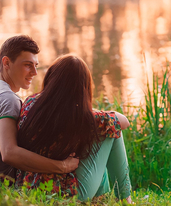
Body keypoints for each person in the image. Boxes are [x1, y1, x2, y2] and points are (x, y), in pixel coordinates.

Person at [0, 35, 79, 179]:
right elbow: (9, 153)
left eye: (36, 66)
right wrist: (62, 166)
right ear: (6, 63)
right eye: (28, 65)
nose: (34, 72)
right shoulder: (7, 98)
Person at [15, 54, 133, 203]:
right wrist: (93, 113)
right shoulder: (82, 118)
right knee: (112, 131)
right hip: (64, 195)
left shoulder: (31, 102)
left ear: (51, 78)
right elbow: (123, 121)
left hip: (28, 187)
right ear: (82, 88)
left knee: (104, 130)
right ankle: (125, 199)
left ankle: (99, 201)